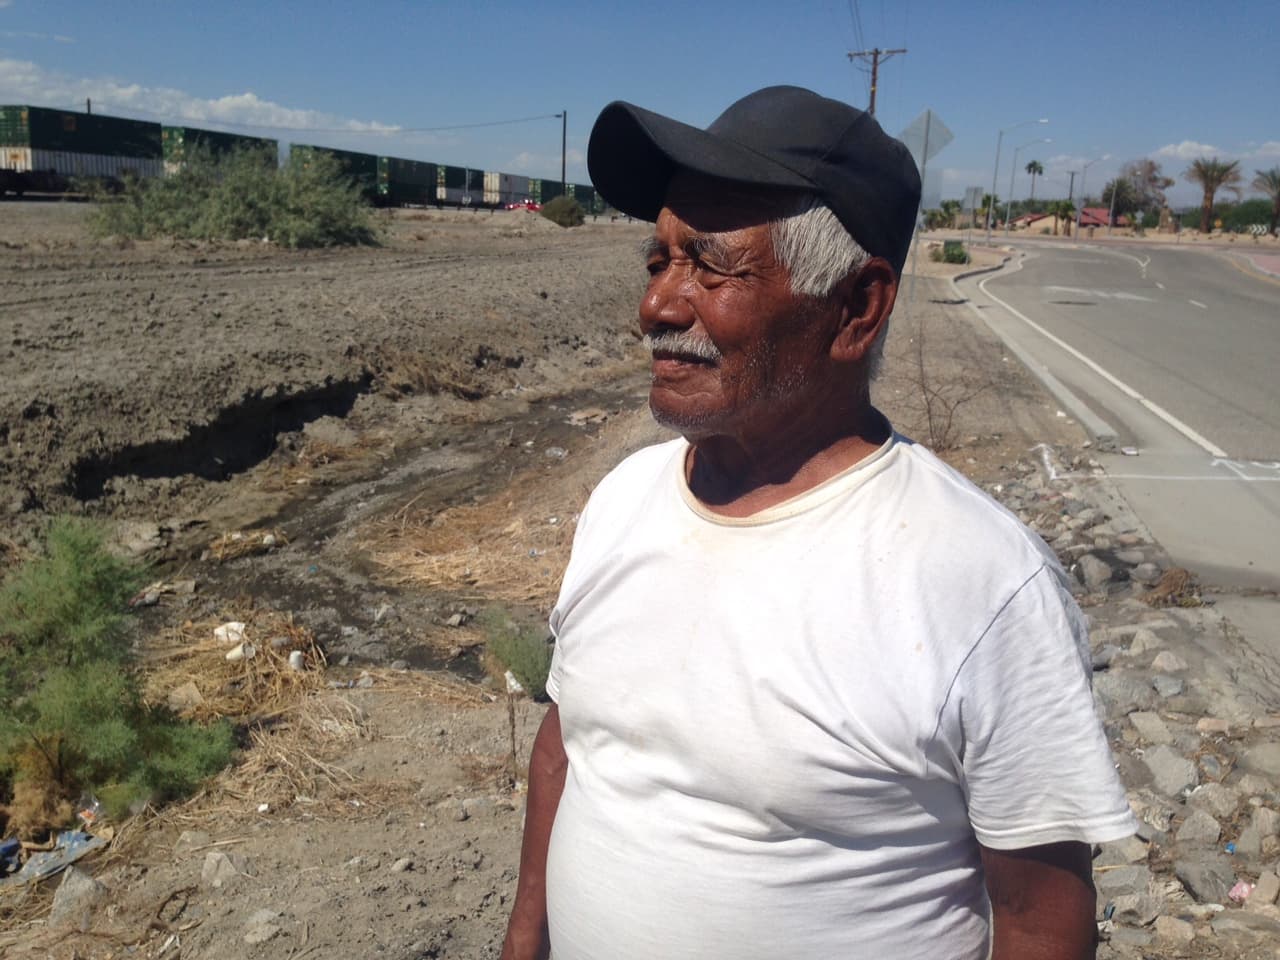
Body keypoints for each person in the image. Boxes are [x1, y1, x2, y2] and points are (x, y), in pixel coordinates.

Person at [501, 86, 1135, 960]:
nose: (657, 307)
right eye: (659, 261)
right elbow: (564, 748)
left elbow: (1038, 916)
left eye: (712, 267)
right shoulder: (622, 501)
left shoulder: (977, 579)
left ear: (857, 307)